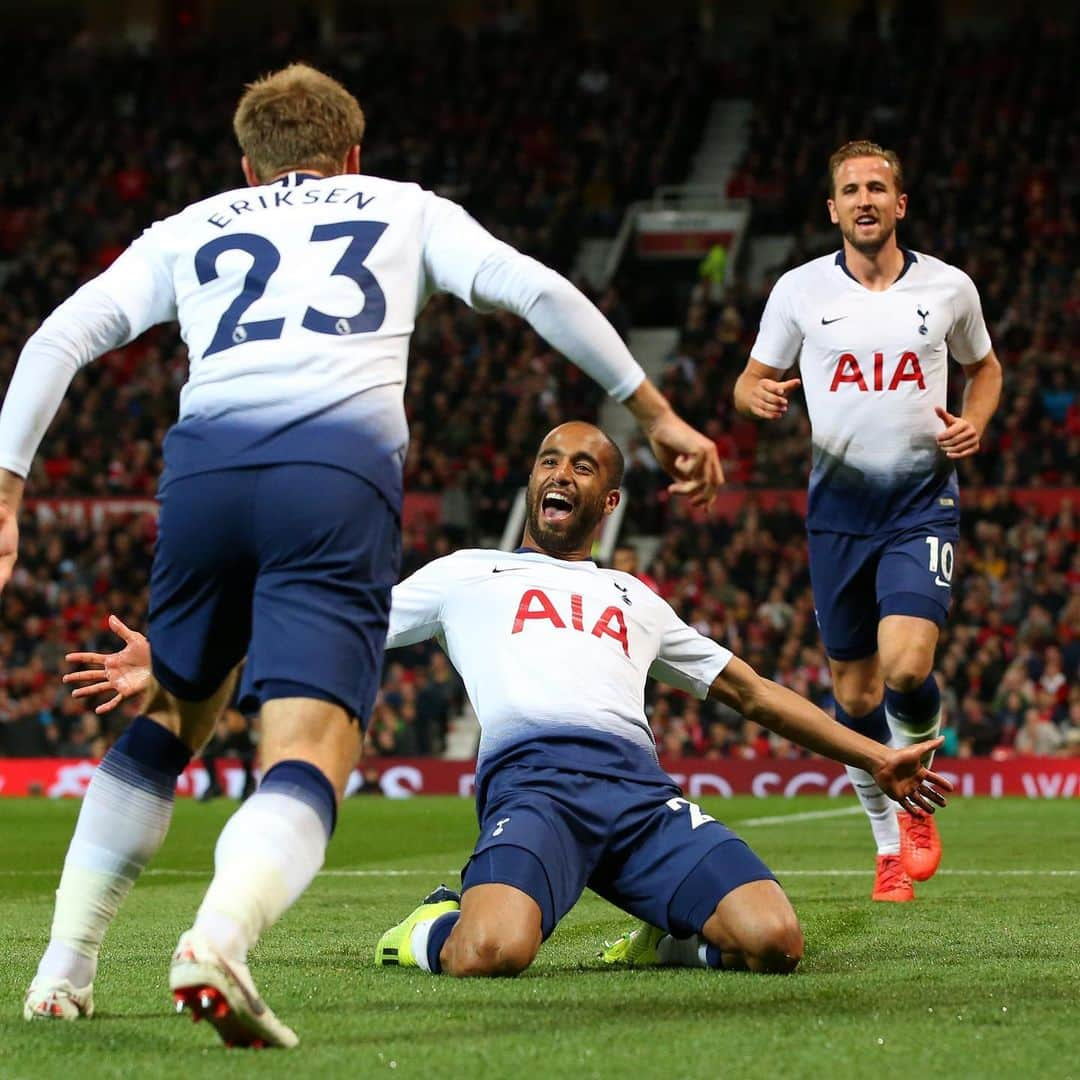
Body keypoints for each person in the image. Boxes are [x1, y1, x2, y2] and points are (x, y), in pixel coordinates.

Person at [1, 64, 723, 1046]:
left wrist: (7, 492)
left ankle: (62, 971)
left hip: (203, 467)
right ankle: (217, 938)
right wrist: (656, 412)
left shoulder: (191, 227)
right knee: (311, 746)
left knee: (173, 716)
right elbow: (537, 291)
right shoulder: (404, 209)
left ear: (247, 165)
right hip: (334, 472)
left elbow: (57, 337)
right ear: (352, 154)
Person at [67, 423, 952, 983]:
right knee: (489, 955)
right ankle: (428, 923)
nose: (560, 472)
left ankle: (668, 930)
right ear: (533, 483)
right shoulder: (464, 574)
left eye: (584, 465)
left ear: (607, 501)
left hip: (640, 799)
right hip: (536, 793)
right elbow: (335, 625)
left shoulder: (635, 596)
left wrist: (874, 756)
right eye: (548, 459)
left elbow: (751, 692)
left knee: (777, 944)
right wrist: (182, 659)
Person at [733, 140, 1002, 901]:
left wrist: (975, 420)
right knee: (853, 702)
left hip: (921, 504)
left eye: (878, 187)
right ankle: (887, 846)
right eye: (851, 189)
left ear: (900, 203)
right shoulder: (798, 291)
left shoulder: (949, 289)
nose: (864, 199)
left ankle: (914, 802)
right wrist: (753, 396)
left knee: (907, 667)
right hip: (838, 517)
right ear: (833, 208)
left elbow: (985, 368)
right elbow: (750, 378)